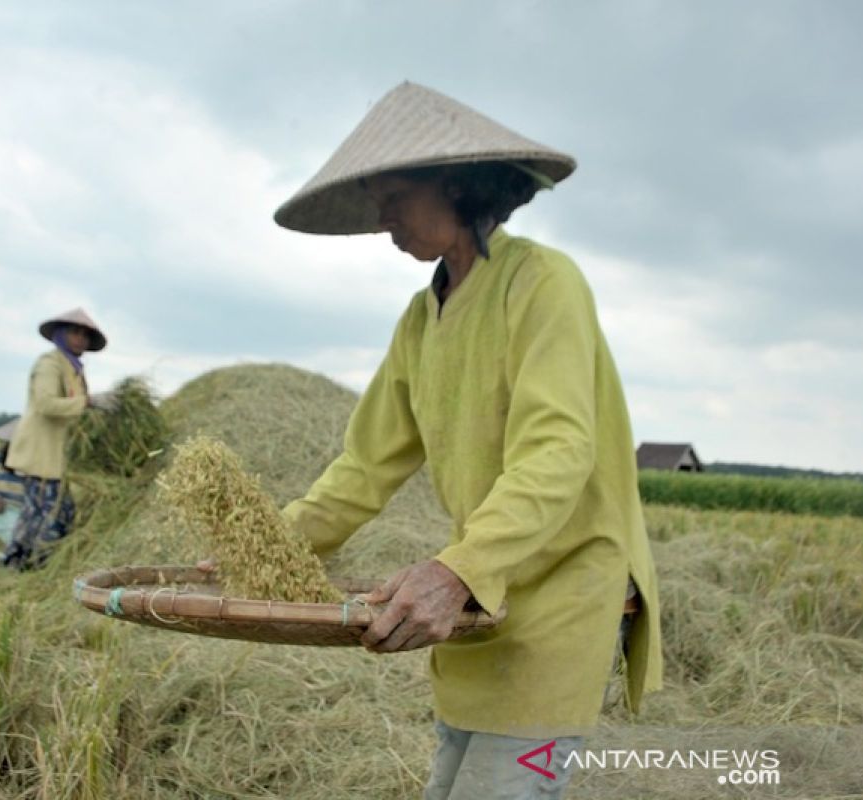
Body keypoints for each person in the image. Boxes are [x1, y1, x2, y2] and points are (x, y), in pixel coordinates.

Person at [270, 82, 663, 798]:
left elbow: (558, 449)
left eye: (391, 195)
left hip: (557, 590)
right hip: (483, 603)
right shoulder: (421, 321)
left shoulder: (542, 284)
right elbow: (363, 466)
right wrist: (272, 545)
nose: (381, 217)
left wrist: (457, 570)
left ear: (454, 182)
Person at [1, 307, 110, 570]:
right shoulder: (49, 364)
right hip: (41, 452)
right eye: (75, 333)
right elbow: (46, 403)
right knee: (41, 513)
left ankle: (38, 562)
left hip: (56, 454)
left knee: (59, 511)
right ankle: (20, 563)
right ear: (61, 334)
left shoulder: (73, 368)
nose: (81, 339)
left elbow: (75, 405)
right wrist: (89, 402)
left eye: (85, 335)